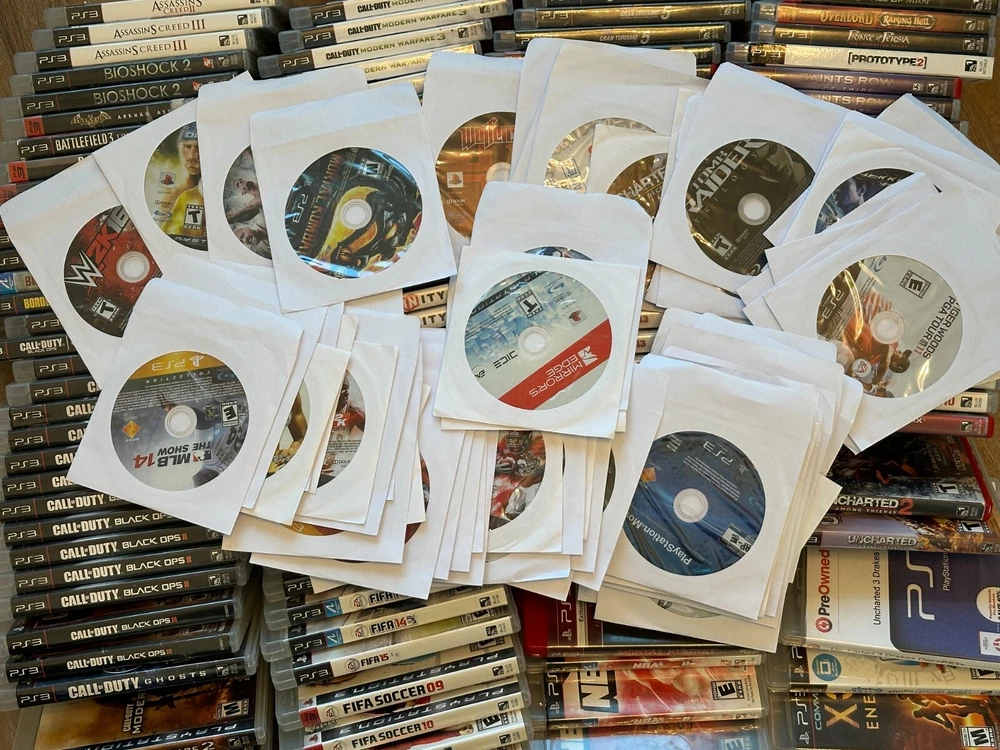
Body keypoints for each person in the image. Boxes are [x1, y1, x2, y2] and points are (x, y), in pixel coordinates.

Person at [160, 124, 206, 245]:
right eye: (187, 147)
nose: (192, 155)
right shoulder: (167, 194)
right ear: (179, 149)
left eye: (199, 147)